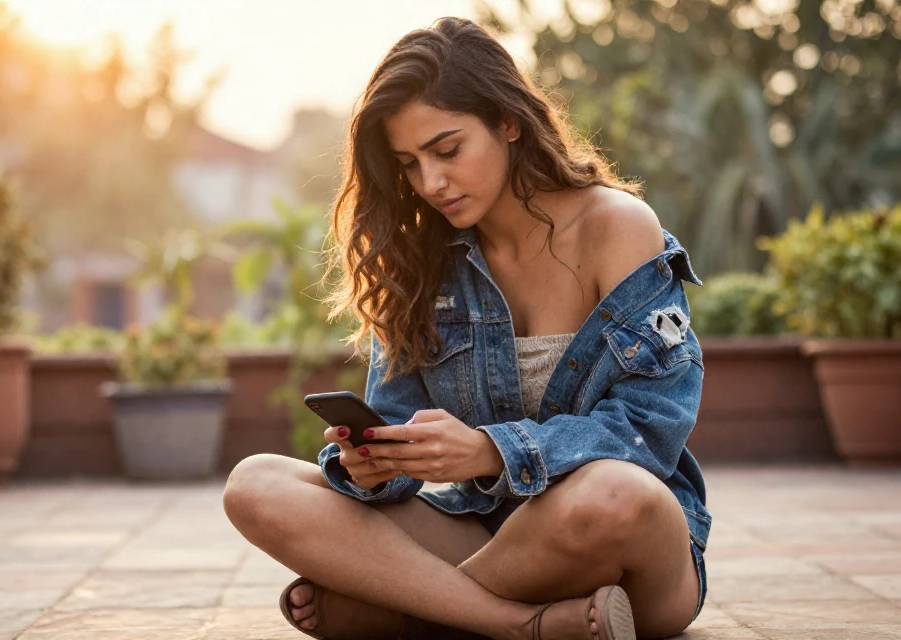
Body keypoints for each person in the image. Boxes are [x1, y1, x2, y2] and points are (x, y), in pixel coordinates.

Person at [222, 16, 710, 640]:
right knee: (256, 484)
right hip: (479, 532)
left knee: (615, 493)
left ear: (508, 121)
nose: (431, 183)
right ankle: (518, 625)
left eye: (447, 150)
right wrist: (373, 463)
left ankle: (409, 614)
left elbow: (650, 429)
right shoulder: (419, 259)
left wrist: (488, 450)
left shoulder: (617, 227)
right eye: (409, 163)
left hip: (619, 546)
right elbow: (395, 427)